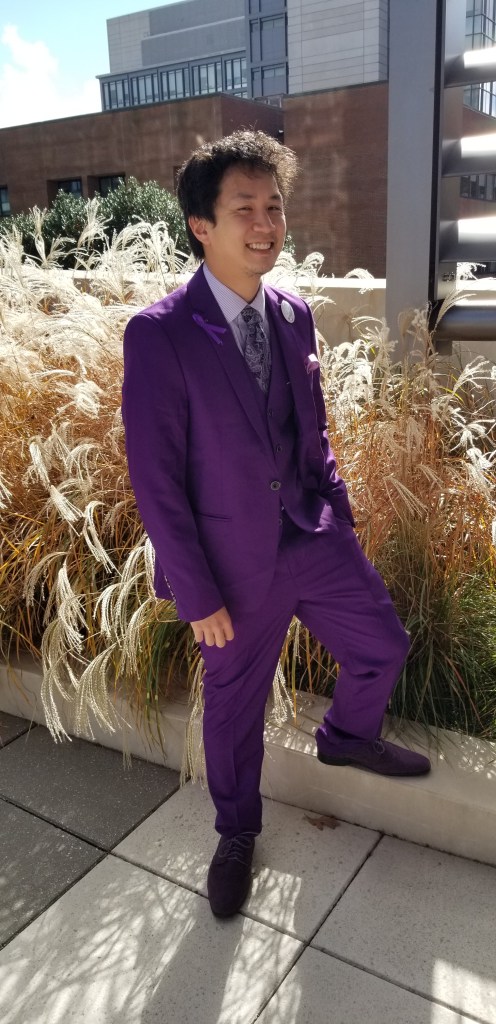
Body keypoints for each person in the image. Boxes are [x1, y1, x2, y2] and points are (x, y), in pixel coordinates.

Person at [121, 129, 430, 919]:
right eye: (245, 208)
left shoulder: (292, 314)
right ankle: (236, 832)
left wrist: (341, 522)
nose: (266, 224)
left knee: (383, 645)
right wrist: (196, 594)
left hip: (311, 534)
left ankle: (347, 737)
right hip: (228, 564)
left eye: (275, 206)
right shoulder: (160, 333)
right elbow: (156, 480)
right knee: (234, 710)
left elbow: (312, 433)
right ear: (202, 225)